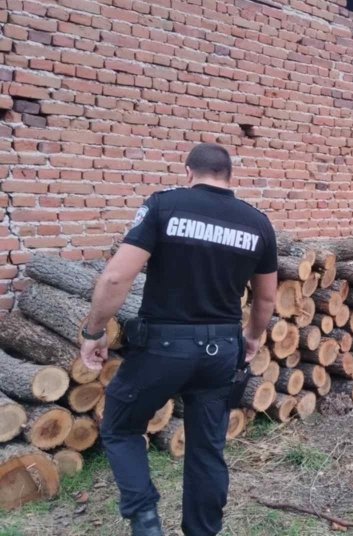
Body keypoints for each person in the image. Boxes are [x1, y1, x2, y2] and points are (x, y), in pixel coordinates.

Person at [80, 143, 278, 536]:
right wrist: (252, 337)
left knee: (120, 426)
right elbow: (266, 297)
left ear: (187, 172)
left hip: (162, 348)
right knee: (207, 449)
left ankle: (145, 518)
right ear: (229, 177)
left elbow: (117, 278)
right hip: (222, 349)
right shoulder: (257, 222)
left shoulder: (162, 206)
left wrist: (93, 330)